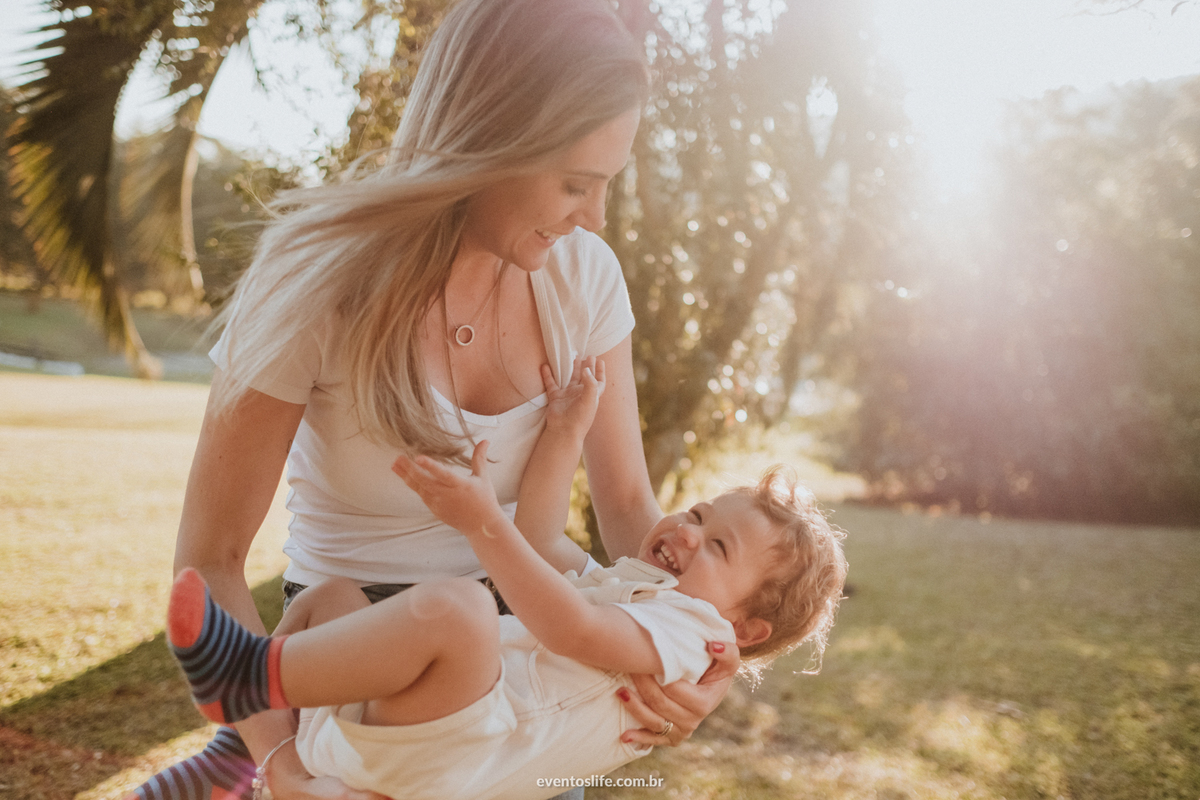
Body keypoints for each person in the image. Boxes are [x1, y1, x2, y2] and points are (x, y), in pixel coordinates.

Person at [130, 1, 740, 799]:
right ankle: (255, 747)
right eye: (575, 185)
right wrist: (282, 766)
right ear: (489, 142)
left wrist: (695, 654)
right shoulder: (313, 280)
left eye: (605, 187)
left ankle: (235, 756)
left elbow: (627, 507)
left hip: (527, 650)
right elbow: (210, 557)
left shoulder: (584, 277)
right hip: (349, 642)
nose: (593, 218)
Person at [162, 357, 847, 800]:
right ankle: (254, 738)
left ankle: (244, 676)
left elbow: (572, 628)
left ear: (743, 628)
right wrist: (565, 432)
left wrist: (483, 523)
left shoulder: (693, 636)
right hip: (412, 731)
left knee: (462, 611)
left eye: (718, 546)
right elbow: (542, 537)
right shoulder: (634, 587)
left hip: (460, 750)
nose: (688, 531)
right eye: (697, 513)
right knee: (333, 596)